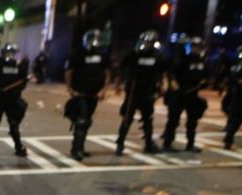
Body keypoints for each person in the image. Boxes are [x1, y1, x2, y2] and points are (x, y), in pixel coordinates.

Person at [115, 30, 168, 155]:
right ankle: (120, 143)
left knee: (148, 119)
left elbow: (162, 73)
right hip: (133, 91)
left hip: (148, 92)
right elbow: (122, 70)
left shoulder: (157, 56)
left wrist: (163, 85)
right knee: (127, 118)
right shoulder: (134, 54)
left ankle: (149, 144)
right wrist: (118, 85)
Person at [64, 29, 111, 161]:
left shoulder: (103, 55)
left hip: (94, 94)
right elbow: (69, 72)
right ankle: (76, 150)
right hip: (80, 93)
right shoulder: (78, 53)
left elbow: (107, 73)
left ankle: (80, 147)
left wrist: (104, 90)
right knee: (82, 120)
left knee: (87, 121)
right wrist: (70, 89)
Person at [161, 36, 208, 153]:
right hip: (179, 95)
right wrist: (176, 89)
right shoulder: (181, 59)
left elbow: (204, 77)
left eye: (198, 47)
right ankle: (167, 143)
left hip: (192, 95)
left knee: (192, 121)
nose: (196, 49)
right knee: (173, 120)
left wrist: (203, 83)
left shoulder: (201, 61)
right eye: (194, 47)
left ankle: (190, 144)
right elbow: (171, 76)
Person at [0, 43, 29, 157]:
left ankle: (19, 147)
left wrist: (16, 90)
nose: (11, 56)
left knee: (14, 124)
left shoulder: (19, 66)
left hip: (12, 100)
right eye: (8, 53)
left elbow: (23, 82)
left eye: (13, 53)